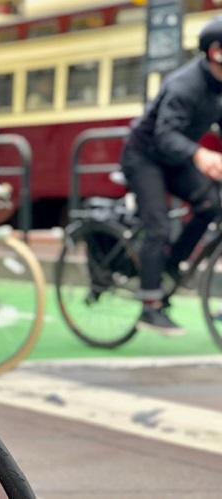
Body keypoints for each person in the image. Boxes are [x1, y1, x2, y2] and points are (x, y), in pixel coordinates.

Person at [119, 17, 222, 336]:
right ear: (216, 52)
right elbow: (164, 134)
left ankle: (169, 265)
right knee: (158, 225)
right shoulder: (185, 85)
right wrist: (200, 154)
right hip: (144, 155)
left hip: (174, 157)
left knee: (210, 204)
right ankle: (149, 306)